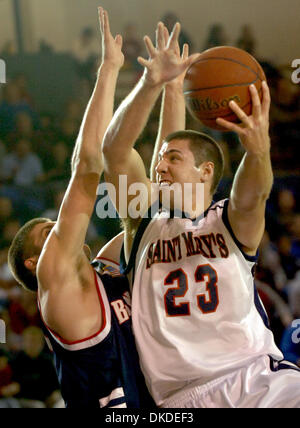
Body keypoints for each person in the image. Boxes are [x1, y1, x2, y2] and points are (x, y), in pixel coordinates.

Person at [102, 22, 300, 408]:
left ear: (206, 172)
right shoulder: (143, 224)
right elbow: (114, 150)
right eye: (159, 160)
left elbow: (254, 193)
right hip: (179, 399)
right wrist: (151, 83)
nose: (159, 167)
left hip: (255, 379)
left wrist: (258, 150)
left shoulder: (228, 220)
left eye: (172, 158)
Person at [8, 8, 154, 409]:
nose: (61, 228)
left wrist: (168, 90)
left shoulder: (105, 265)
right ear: (37, 262)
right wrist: (109, 70)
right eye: (49, 232)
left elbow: (157, 222)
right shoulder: (56, 281)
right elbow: (88, 166)